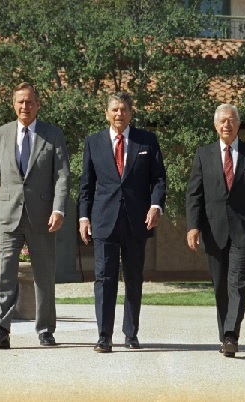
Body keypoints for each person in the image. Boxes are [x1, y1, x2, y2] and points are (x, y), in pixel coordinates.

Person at [0, 82, 70, 349]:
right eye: (20, 102)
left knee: (44, 273)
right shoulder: (0, 134)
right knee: (5, 271)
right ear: (13, 104)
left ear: (38, 105)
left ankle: (45, 330)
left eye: (30, 102)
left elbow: (62, 176)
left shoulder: (53, 135)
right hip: (7, 213)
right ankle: (1, 330)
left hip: (42, 217)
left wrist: (58, 208)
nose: (25, 107)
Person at [78, 91, 166, 353]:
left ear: (131, 112)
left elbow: (159, 179)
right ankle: (104, 336)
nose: (119, 114)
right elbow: (86, 184)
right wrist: (84, 217)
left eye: (124, 109)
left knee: (133, 278)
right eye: (114, 109)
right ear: (106, 113)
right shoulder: (93, 142)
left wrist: (155, 205)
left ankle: (131, 333)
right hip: (104, 220)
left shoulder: (147, 141)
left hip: (136, 221)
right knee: (104, 279)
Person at [186, 103, 245, 358]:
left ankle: (232, 334)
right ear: (215, 125)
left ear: (238, 124)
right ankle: (225, 336)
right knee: (220, 284)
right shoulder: (204, 154)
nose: (227, 125)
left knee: (238, 283)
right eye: (222, 121)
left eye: (231, 120)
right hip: (213, 230)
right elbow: (194, 193)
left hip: (243, 231)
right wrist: (193, 226)